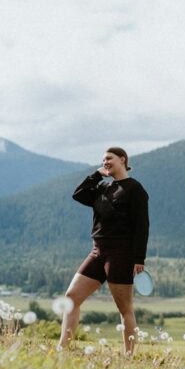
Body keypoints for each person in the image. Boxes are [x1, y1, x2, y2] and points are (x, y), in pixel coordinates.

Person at [58, 146, 149, 354]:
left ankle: (129, 356)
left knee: (124, 308)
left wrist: (138, 259)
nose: (105, 161)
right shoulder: (103, 188)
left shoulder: (135, 189)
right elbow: (79, 195)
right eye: (103, 159)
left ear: (122, 159)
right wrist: (97, 174)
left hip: (121, 254)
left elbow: (142, 226)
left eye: (109, 158)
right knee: (71, 296)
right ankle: (62, 349)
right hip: (97, 251)